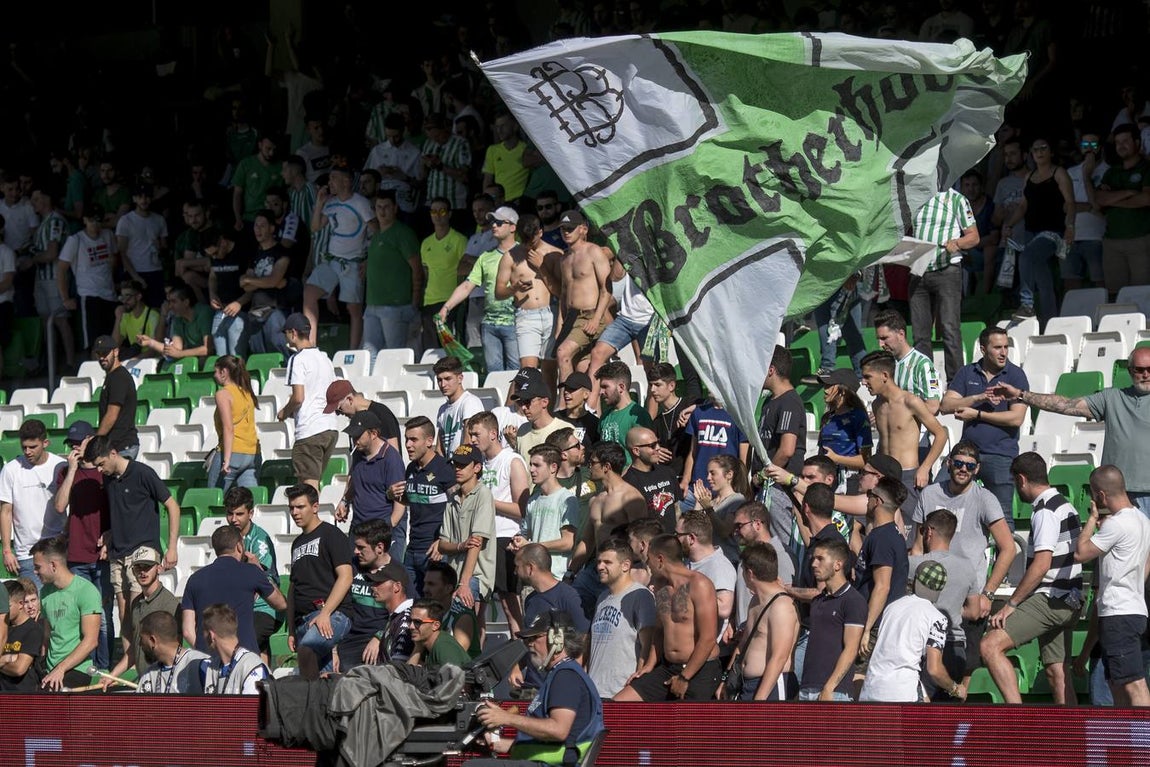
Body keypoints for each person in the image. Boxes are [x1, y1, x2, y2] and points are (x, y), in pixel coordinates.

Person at [989, 346, 1150, 517]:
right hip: (1116, 494)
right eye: (1139, 370)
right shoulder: (1112, 397)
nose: (1145, 375)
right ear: (1131, 371)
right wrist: (1021, 395)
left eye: (1149, 369)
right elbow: (1067, 405)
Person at [981, 452, 1083, 705]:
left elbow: (1042, 564)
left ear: (1021, 479)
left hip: (1050, 598)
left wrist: (1011, 604)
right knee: (1057, 672)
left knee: (989, 646)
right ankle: (1071, 739)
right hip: (1069, 600)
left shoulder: (1045, 511)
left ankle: (1017, 719)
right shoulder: (1066, 504)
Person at [471, 610, 604, 767]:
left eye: (535, 637)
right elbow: (548, 745)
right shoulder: (561, 674)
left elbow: (558, 730)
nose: (529, 644)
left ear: (557, 639)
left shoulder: (566, 676)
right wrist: (497, 743)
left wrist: (506, 718)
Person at [907, 442, 1017, 621]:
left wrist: (988, 594)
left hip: (968, 594)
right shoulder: (929, 494)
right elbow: (918, 548)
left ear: (977, 469)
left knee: (965, 648)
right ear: (948, 463)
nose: (963, 469)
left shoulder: (984, 499)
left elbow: (1009, 549)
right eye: (958, 464)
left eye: (970, 466)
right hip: (930, 588)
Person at [89, 434, 180, 645]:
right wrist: (110, 533)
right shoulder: (108, 479)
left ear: (113, 453)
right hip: (118, 551)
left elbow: (172, 506)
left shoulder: (142, 473)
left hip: (143, 549)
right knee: (123, 614)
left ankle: (148, 660)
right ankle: (131, 664)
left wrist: (172, 546)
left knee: (139, 608)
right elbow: (122, 511)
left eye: (101, 464)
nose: (99, 470)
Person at [1073, 465, 1150, 706]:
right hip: (1132, 609)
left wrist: (1092, 519)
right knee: (1117, 681)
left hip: (1119, 613)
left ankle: (1142, 740)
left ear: (1101, 496)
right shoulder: (1142, 519)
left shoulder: (1115, 524)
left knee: (1133, 683)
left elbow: (1080, 553)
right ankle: (1126, 739)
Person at [614, 534, 721, 701]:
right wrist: (649, 665)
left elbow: (708, 638)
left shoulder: (699, 584)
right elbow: (659, 630)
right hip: (669, 667)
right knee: (619, 704)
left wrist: (685, 677)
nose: (647, 564)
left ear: (660, 559)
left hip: (700, 670)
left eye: (649, 558)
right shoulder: (660, 587)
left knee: (684, 725)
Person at [940, 327, 1029, 518]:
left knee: (1001, 517)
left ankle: (1005, 549)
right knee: (940, 500)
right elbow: (946, 405)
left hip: (1001, 456)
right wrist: (978, 397)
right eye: (997, 347)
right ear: (983, 349)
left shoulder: (1015, 375)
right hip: (967, 453)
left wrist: (977, 415)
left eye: (1006, 347)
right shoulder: (967, 372)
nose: (1003, 352)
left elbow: (1016, 418)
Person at [859, 560, 967, 702]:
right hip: (901, 695)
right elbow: (934, 669)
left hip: (871, 689)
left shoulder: (892, 607)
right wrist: (955, 689)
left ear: (915, 580)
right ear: (940, 589)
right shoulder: (937, 619)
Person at [860, 350, 948, 517]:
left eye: (868, 377)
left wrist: (925, 467)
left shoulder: (910, 401)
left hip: (907, 476)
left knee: (909, 530)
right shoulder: (877, 405)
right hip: (882, 476)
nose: (864, 382)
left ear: (884, 375)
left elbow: (941, 434)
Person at [53, 422, 112, 670]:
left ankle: (105, 666)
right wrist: (73, 468)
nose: (75, 447)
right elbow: (59, 506)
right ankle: (83, 665)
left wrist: (110, 534)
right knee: (80, 614)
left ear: (90, 439)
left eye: (79, 442)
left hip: (101, 553)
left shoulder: (104, 471)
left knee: (103, 616)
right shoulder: (68, 472)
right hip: (76, 553)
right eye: (72, 443)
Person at [909, 184, 980, 380]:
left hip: (947, 269)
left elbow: (974, 236)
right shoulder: (913, 196)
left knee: (949, 328)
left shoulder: (957, 199)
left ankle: (956, 383)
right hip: (919, 269)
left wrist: (956, 243)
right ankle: (926, 382)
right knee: (919, 333)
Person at [438, 205, 519, 373]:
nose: (493, 225)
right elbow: (467, 285)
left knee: (516, 373)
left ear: (512, 227)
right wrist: (446, 307)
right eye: (492, 222)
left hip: (517, 322)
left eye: (498, 222)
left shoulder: (524, 253)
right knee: (494, 374)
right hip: (489, 324)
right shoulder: (486, 256)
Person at [180, 524, 286, 655]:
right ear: (239, 546)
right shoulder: (251, 572)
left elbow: (187, 630)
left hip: (207, 660)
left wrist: (206, 651)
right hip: (244, 658)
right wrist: (260, 572)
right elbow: (280, 604)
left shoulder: (194, 579)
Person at [469, 410, 529, 635]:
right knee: (475, 605)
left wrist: (487, 502)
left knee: (509, 604)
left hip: (505, 537)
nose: (472, 440)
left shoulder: (511, 460)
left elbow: (521, 508)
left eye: (477, 434)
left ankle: (520, 663)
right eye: (471, 435)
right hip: (482, 537)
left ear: (493, 434)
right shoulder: (479, 465)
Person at [1003, 136, 1076, 323]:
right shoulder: (1029, 176)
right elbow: (1022, 206)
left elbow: (1070, 202)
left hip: (1052, 232)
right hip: (1031, 231)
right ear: (1032, 155)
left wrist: (1070, 226)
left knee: (1026, 256)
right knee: (1043, 280)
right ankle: (1050, 321)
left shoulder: (1059, 173)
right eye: (1036, 149)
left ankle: (1026, 305)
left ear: (1051, 152)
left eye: (1044, 148)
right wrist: (1009, 224)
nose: (1040, 152)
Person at [909, 509, 981, 694]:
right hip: (955, 648)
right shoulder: (967, 567)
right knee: (946, 717)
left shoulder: (914, 565)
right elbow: (974, 612)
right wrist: (955, 608)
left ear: (929, 532)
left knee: (921, 717)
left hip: (924, 649)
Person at [285, 484, 354, 679]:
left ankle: (311, 703)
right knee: (327, 678)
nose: (295, 512)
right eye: (291, 508)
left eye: (300, 507)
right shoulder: (296, 543)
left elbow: (346, 576)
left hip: (330, 615)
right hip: (303, 621)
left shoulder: (331, 535)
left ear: (315, 507)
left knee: (307, 652)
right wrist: (291, 629)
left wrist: (325, 613)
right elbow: (293, 588)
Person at [726, 542, 799, 701]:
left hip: (770, 686)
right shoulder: (755, 601)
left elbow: (779, 657)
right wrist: (727, 679)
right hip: (746, 684)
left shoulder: (782, 606)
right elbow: (743, 644)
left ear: (750, 573)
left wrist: (760, 700)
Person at [101, 545, 180, 691]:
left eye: (147, 566)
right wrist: (112, 675)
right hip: (145, 683)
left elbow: (175, 651)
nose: (142, 572)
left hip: (164, 685)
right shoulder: (136, 604)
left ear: (159, 568)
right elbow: (134, 648)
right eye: (138, 567)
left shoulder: (170, 604)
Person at [586, 537, 656, 699]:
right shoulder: (602, 597)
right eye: (598, 562)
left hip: (620, 692)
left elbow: (648, 644)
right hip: (595, 691)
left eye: (607, 562)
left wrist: (636, 685)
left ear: (625, 565)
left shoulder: (641, 596)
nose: (600, 567)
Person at [798, 537, 867, 701]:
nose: (814, 564)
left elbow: (851, 648)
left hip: (835, 692)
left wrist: (829, 687)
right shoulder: (818, 601)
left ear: (838, 564)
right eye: (813, 558)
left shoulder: (853, 600)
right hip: (807, 688)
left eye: (820, 559)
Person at [393, 416, 455, 595]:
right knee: (412, 606)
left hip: (434, 550)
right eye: (406, 439)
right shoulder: (411, 469)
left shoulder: (445, 469)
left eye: (413, 439)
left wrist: (443, 542)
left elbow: (458, 508)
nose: (408, 445)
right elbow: (414, 499)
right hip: (412, 548)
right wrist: (393, 496)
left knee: (435, 608)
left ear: (429, 441)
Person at [278, 312, 339, 491]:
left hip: (310, 429)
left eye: (286, 333)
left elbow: (298, 397)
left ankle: (312, 519)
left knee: (308, 488)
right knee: (313, 484)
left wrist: (284, 412)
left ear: (293, 333)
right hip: (329, 427)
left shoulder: (298, 359)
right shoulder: (325, 358)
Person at [32, 536, 102, 690]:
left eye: (38, 567)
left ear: (53, 565)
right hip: (51, 668)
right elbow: (47, 635)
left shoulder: (86, 590)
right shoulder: (45, 592)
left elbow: (91, 641)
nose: (34, 571)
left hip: (77, 668)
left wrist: (61, 668)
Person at [1, 418, 66, 585]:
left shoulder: (60, 466)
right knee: (32, 608)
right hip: (27, 554)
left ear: (45, 443)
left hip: (56, 549)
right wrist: (7, 550)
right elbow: (6, 511)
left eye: (33, 447)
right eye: (24, 447)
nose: (28, 452)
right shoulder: (11, 470)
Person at [554, 210, 614, 384]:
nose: (566, 232)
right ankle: (585, 409)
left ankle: (564, 405)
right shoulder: (564, 259)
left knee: (563, 353)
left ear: (583, 229)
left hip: (590, 315)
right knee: (582, 367)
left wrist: (596, 319)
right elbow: (564, 294)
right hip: (572, 317)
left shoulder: (593, 251)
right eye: (563, 228)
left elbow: (606, 289)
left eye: (570, 228)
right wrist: (560, 324)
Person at [435, 444, 496, 614]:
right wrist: (461, 546)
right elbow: (442, 544)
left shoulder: (483, 494)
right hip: (453, 573)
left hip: (475, 575)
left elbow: (476, 543)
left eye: (462, 465)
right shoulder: (452, 498)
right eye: (455, 464)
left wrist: (464, 583)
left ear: (477, 467)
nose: (457, 469)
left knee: (460, 616)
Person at [855, 476, 910, 660]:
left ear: (877, 501)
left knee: (859, 679)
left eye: (870, 494)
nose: (867, 499)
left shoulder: (883, 538)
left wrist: (867, 628)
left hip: (877, 624)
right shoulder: (888, 534)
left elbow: (882, 586)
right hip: (881, 622)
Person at [224, 487, 282, 664]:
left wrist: (255, 568)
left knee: (244, 647)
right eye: (230, 513)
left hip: (265, 606)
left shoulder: (260, 540)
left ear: (251, 513)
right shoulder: (226, 538)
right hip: (239, 607)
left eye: (239, 514)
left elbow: (263, 582)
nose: (233, 519)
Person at [1094, 123, 1150, 298]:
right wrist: (1127, 193)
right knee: (1115, 294)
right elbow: (1098, 200)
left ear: (1137, 142)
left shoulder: (1147, 168)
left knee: (1143, 293)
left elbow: (1146, 199)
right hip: (1112, 242)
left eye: (1126, 141)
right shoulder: (1111, 172)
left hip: (1141, 239)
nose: (1121, 146)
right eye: (1118, 142)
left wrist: (1113, 200)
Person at [363, 190, 422, 354]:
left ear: (395, 208)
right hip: (372, 304)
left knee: (394, 355)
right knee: (369, 354)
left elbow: (417, 269)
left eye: (386, 207)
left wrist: (414, 303)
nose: (382, 211)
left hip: (395, 306)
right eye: (378, 207)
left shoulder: (403, 233)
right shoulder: (376, 235)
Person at [57, 204, 119, 352]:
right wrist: (65, 298)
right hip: (88, 295)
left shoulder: (108, 235)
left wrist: (113, 267)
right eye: (91, 220)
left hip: (110, 294)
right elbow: (61, 269)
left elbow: (114, 258)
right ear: (85, 220)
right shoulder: (75, 240)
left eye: (98, 220)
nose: (95, 224)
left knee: (112, 341)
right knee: (93, 342)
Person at [515, 445, 579, 579]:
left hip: (555, 578)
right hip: (531, 577)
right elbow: (525, 534)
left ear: (553, 467)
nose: (531, 470)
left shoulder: (567, 499)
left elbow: (568, 542)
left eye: (537, 465)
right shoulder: (533, 500)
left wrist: (533, 546)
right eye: (531, 465)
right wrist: (518, 542)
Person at [339, 411, 406, 534]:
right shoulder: (358, 453)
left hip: (379, 529)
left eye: (358, 435)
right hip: (358, 527)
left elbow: (400, 502)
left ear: (374, 434)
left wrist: (386, 527)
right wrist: (344, 501)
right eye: (353, 436)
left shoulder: (391, 458)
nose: (354, 440)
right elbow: (356, 481)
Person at [731, 501, 795, 628]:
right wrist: (733, 621)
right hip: (745, 636)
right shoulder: (749, 553)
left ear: (757, 524)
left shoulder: (781, 554)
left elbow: (786, 599)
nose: (735, 532)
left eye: (739, 526)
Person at [207, 355, 260, 492]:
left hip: (233, 453)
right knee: (248, 502)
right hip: (252, 453)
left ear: (224, 372)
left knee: (214, 499)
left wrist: (226, 459)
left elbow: (229, 428)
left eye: (216, 371)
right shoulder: (247, 392)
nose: (214, 375)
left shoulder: (223, 394)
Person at [812, 369, 872, 483]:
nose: (825, 390)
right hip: (825, 479)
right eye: (825, 385)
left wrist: (837, 459)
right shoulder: (827, 418)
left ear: (843, 391)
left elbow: (866, 460)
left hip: (850, 480)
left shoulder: (858, 416)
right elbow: (821, 451)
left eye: (829, 385)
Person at [200, 603, 272, 695]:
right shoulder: (213, 667)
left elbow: (252, 708)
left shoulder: (251, 666)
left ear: (211, 635)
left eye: (203, 632)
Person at [134, 611, 210, 694]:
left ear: (153, 640)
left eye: (141, 638)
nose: (140, 643)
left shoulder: (200, 664)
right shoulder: (148, 676)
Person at [623, 426, 681, 533]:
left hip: (672, 541)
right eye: (652, 445)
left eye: (658, 442)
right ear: (636, 451)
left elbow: (676, 507)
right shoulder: (628, 482)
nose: (658, 448)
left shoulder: (668, 472)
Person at [324, 378, 402, 455]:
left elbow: (394, 455)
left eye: (339, 409)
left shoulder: (382, 414)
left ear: (350, 399)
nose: (338, 414)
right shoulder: (355, 420)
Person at [595, 362, 654, 463]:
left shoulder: (638, 415)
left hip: (630, 477)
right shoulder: (605, 416)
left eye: (605, 387)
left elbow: (646, 454)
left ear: (621, 387)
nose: (601, 392)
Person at [91, 334, 139, 459]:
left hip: (122, 446)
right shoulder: (113, 376)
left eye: (105, 353)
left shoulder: (119, 377)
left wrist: (95, 442)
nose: (102, 357)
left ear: (116, 351)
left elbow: (112, 414)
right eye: (98, 354)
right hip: (116, 446)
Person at [422, 561, 481, 657]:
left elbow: (455, 657)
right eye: (425, 584)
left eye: (431, 584)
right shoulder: (426, 613)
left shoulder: (462, 617)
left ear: (448, 588)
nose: (424, 589)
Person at [366, 561, 416, 664]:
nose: (372, 587)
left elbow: (398, 669)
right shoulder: (396, 616)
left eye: (378, 582)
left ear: (396, 587)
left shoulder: (406, 620)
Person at [435, 355, 485, 455]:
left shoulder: (470, 402)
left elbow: (468, 443)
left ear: (460, 378)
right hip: (449, 467)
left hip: (465, 466)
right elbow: (439, 449)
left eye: (448, 379)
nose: (443, 384)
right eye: (439, 380)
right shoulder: (442, 409)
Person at [0, 579, 43, 691]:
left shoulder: (33, 630)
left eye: (7, 606)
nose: (2, 610)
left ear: (20, 604)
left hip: (22, 695)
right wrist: (6, 659)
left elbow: (19, 669)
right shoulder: (3, 627)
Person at [406, 598, 471, 668]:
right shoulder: (428, 645)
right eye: (410, 621)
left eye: (417, 622)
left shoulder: (444, 647)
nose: (411, 627)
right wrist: (417, 648)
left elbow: (454, 677)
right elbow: (407, 674)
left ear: (435, 625)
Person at [554, 372, 600, 450]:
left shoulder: (595, 424)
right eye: (566, 388)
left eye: (572, 389)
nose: (566, 392)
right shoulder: (554, 419)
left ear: (586, 394)